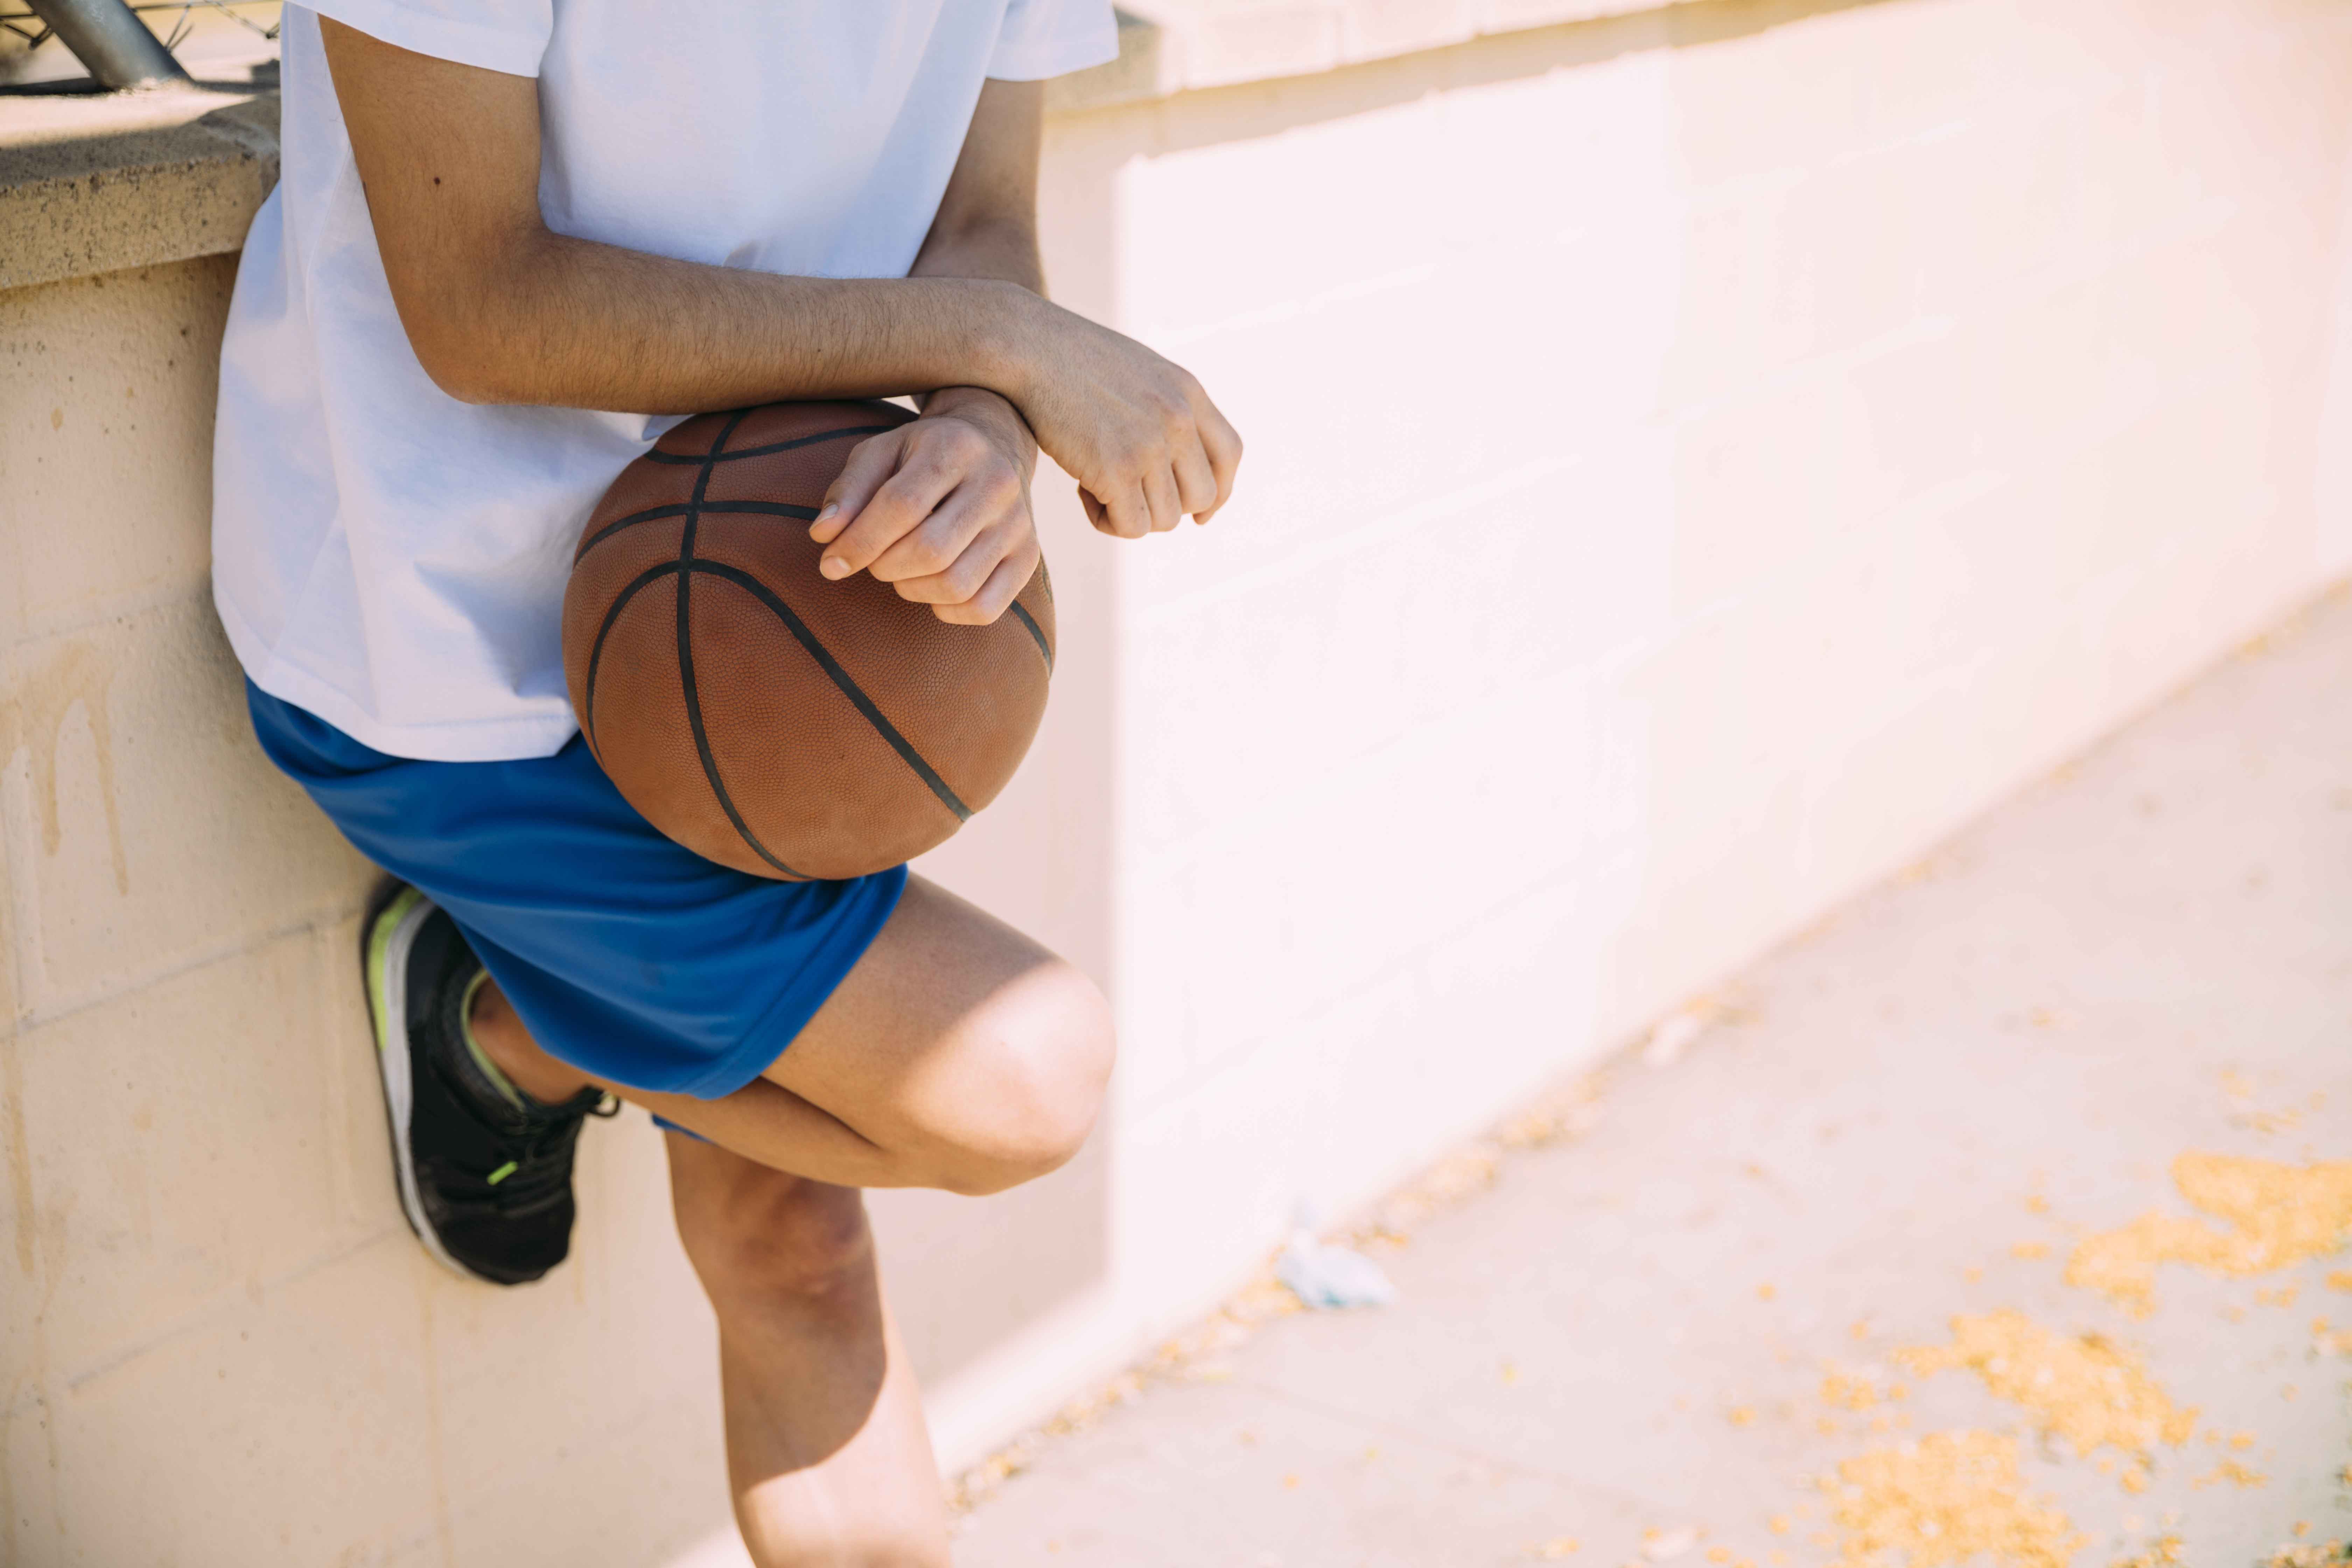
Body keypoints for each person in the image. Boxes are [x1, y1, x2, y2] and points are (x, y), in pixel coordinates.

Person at [208, 1, 1243, 1560]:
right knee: (1024, 1081)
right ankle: (512, 1021)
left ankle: (536, 1027)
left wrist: (977, 433)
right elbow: (482, 303)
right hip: (448, 660)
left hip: (758, 623)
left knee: (797, 1235)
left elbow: (977, 220)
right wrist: (1000, 354)